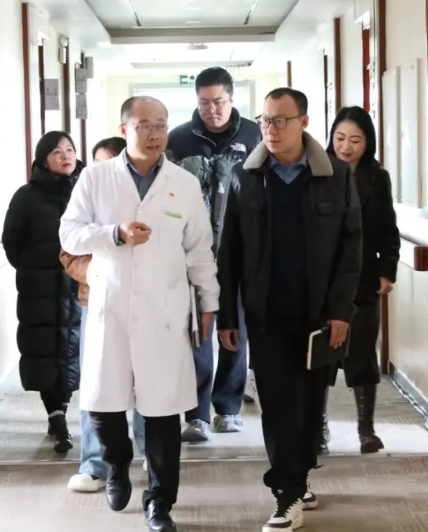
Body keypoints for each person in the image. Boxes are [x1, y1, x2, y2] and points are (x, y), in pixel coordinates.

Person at [59, 96, 219, 532]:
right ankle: (116, 464)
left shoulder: (183, 183)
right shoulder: (95, 178)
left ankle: (160, 502)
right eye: (144, 125)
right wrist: (115, 233)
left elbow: (199, 249)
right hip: (110, 307)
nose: (154, 134)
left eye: (161, 125)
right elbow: (69, 234)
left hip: (164, 313)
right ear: (124, 129)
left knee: (163, 410)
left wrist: (209, 302)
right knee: (103, 407)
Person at [216, 88, 362, 531]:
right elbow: (229, 252)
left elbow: (351, 250)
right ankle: (287, 493)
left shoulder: (335, 175)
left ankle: (298, 477)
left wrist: (341, 311)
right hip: (266, 315)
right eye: (265, 120)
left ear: (303, 122)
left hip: (319, 317)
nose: (271, 129)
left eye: (281, 120)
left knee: (310, 405)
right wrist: (227, 316)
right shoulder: (244, 176)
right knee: (278, 404)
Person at [167, 66, 262, 441]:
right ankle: (197, 414)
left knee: (235, 332)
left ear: (232, 98)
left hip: (239, 252)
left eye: (218, 101)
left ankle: (228, 409)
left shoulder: (254, 135)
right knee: (198, 333)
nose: (212, 109)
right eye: (204, 102)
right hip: (193, 253)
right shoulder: (179, 139)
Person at [59, 136, 148, 493]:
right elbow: (68, 252)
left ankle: (148, 451)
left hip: (145, 304)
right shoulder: (86, 195)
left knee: (146, 382)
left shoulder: (147, 197)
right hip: (95, 303)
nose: (102, 170)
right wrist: (98, 273)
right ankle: (94, 464)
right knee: (96, 385)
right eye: (97, 163)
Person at [320, 106, 400, 455]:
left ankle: (366, 429)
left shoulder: (376, 178)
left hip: (363, 276)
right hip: (322, 277)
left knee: (363, 352)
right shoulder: (317, 170)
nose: (346, 147)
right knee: (320, 357)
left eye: (355, 140)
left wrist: (387, 270)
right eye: (340, 138)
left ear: (368, 143)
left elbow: (388, 229)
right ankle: (318, 426)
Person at [2, 130, 83, 454]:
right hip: (40, 289)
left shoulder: (86, 190)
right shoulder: (26, 196)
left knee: (72, 351)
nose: (65, 156)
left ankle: (60, 410)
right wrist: (33, 267)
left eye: (69, 150)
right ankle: (56, 417)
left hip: (78, 285)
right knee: (45, 351)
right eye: (56, 152)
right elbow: (12, 242)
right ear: (43, 159)